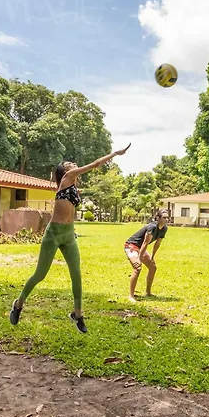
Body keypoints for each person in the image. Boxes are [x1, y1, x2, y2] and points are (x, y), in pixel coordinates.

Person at [9, 143, 131, 333]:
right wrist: (115, 153)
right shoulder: (67, 179)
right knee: (40, 274)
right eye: (68, 163)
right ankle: (18, 304)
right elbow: (95, 164)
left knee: (76, 274)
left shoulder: (73, 186)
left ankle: (77, 314)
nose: (73, 163)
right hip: (53, 234)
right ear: (64, 171)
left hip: (68, 235)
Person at [124, 209, 169, 303]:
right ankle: (131, 296)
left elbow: (157, 244)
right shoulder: (152, 227)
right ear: (158, 218)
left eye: (167, 218)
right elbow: (145, 243)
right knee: (137, 267)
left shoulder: (164, 228)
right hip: (131, 246)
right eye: (164, 218)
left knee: (153, 267)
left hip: (141, 248)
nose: (166, 220)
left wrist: (152, 257)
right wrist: (139, 259)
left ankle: (148, 292)